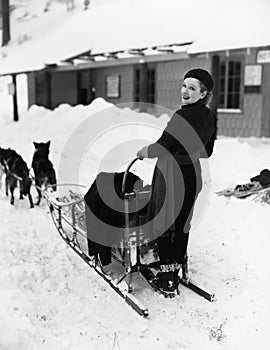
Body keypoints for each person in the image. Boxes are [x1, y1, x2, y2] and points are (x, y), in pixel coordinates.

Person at [137, 68, 217, 296]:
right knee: (183, 221)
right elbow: (207, 152)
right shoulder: (210, 117)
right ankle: (178, 263)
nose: (185, 91)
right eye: (184, 86)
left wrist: (145, 151)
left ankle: (167, 276)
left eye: (192, 88)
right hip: (192, 173)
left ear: (203, 94)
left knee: (165, 220)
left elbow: (162, 146)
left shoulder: (182, 116)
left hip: (172, 173)